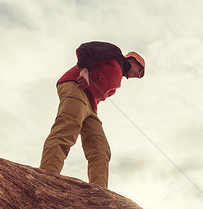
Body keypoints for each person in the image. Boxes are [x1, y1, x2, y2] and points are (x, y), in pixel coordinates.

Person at [39, 41, 145, 189]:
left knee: (101, 149)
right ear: (133, 60)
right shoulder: (114, 53)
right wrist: (85, 70)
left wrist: (92, 111)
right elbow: (85, 49)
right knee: (67, 128)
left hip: (90, 106)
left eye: (140, 76)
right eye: (140, 71)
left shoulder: (118, 79)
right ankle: (45, 178)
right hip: (76, 87)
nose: (138, 76)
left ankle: (99, 193)